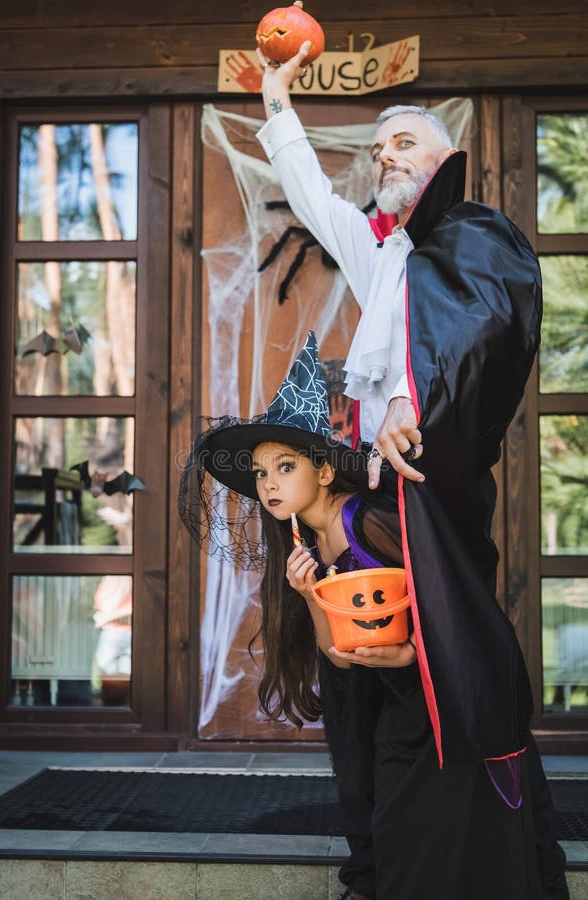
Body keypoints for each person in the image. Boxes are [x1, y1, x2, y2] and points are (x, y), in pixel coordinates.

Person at [252, 45, 569, 900]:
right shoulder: (378, 250)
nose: (386, 154)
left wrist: (412, 404)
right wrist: (277, 98)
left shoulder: (480, 238)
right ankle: (383, 841)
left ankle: (481, 827)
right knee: (367, 645)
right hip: (373, 482)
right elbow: (316, 200)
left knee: (448, 638)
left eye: (404, 144)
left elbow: (479, 330)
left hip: (431, 476)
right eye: (381, 144)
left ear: (441, 163)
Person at [181, 332, 553, 900]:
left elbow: (452, 594)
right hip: (391, 708)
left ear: (324, 472)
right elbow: (340, 656)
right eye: (260, 474)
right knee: (394, 833)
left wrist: (410, 652)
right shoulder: (305, 546)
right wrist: (308, 594)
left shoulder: (372, 520)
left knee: (438, 840)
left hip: (439, 703)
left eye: (284, 466)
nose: (269, 483)